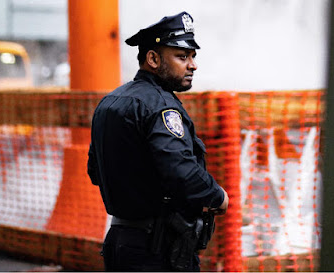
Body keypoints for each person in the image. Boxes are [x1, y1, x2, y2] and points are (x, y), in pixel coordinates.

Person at [87, 11, 229, 272]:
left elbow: (95, 172)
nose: (193, 65)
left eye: (193, 57)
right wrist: (218, 196)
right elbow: (181, 171)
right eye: (182, 56)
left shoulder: (109, 102)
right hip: (158, 250)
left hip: (120, 243)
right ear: (152, 58)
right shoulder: (162, 107)